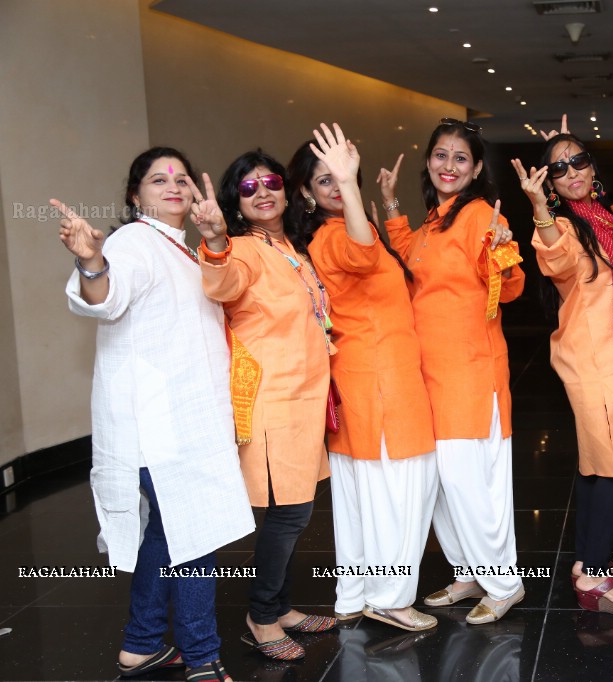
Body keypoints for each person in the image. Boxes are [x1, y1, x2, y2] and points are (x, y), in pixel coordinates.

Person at [57, 147, 254, 681]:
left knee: (169, 536)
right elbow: (107, 296)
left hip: (185, 423)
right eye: (157, 179)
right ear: (134, 194)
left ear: (194, 193)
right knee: (194, 535)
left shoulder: (180, 248)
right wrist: (90, 261)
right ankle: (202, 656)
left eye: (182, 178)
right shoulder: (134, 242)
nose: (172, 186)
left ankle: (140, 646)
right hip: (162, 428)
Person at [289, 124, 439, 632]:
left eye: (341, 177)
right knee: (399, 493)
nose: (335, 185)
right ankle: (392, 597)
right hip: (380, 382)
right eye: (323, 180)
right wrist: (352, 185)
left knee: (361, 497)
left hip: (365, 378)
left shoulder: (342, 230)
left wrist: (365, 202)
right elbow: (361, 251)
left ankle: (354, 592)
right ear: (306, 194)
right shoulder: (334, 235)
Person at [192, 149, 340, 661]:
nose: (262, 192)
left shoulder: (291, 247)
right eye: (248, 187)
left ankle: (282, 606)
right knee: (287, 514)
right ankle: (261, 614)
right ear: (235, 200)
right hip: (271, 400)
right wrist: (213, 241)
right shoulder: (241, 249)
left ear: (286, 188)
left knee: (295, 511)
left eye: (270, 181)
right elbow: (221, 283)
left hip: (305, 399)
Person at [382, 118, 526, 624]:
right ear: (429, 161)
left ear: (477, 167)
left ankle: (504, 582)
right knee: (442, 483)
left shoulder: (479, 214)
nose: (449, 165)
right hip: (427, 373)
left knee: (470, 481)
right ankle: (468, 571)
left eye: (460, 158)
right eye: (441, 155)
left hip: (468, 371)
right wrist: (392, 209)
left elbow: (508, 289)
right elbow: (409, 261)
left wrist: (504, 250)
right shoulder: (435, 221)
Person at [512, 132, 613, 616]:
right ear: (547, 184)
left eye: (579, 161)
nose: (571, 172)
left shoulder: (606, 221)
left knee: (600, 465)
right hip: (593, 360)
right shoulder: (564, 226)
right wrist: (538, 207)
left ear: (594, 168)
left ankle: (587, 563)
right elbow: (558, 257)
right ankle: (593, 578)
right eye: (558, 168)